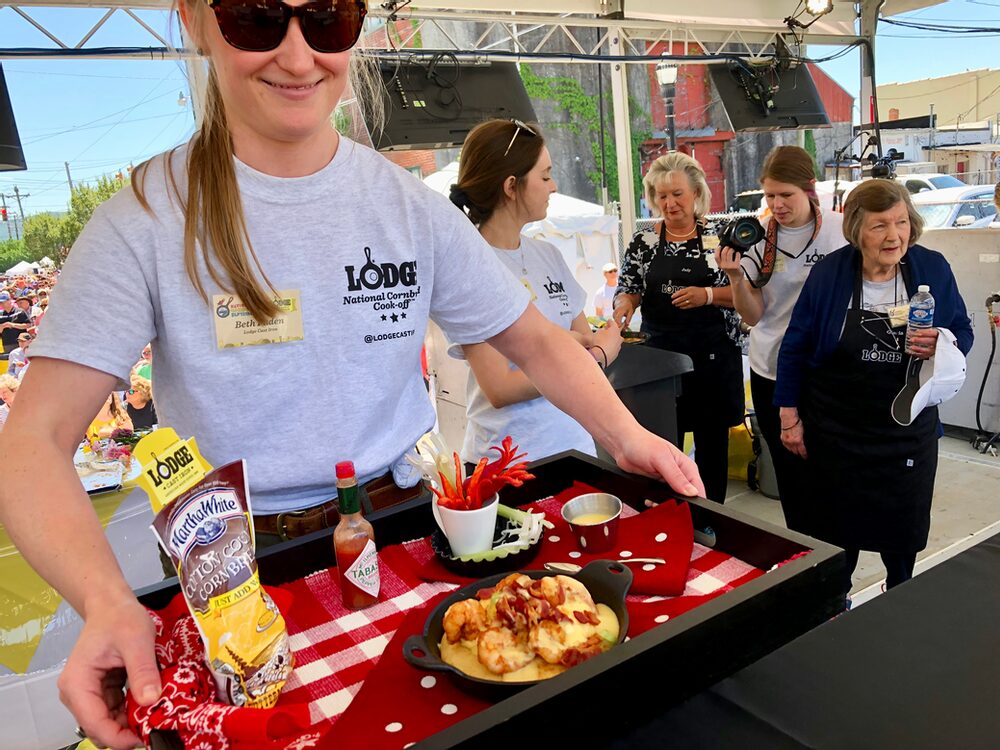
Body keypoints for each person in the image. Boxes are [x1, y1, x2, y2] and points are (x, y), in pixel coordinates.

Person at [0, 4, 703, 748]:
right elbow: (33, 441)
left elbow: (531, 338)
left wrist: (625, 436)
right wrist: (106, 600)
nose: (299, 57)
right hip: (237, 581)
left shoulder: (406, 205)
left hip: (411, 535)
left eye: (328, 19)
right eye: (256, 17)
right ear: (197, 21)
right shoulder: (144, 216)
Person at [775, 179, 973, 594]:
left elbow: (962, 331)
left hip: (905, 431)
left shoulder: (932, 268)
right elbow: (795, 344)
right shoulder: (830, 273)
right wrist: (789, 414)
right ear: (856, 229)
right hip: (838, 432)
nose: (894, 235)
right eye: (880, 226)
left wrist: (943, 340)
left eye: (901, 222)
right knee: (835, 529)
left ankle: (899, 593)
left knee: (902, 532)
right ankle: (836, 599)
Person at [449, 119, 623, 465]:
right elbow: (500, 386)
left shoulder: (548, 255)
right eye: (544, 176)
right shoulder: (471, 264)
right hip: (509, 463)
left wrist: (585, 347)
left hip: (574, 447)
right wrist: (595, 356)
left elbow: (582, 337)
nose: (554, 186)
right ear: (512, 186)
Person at [716, 145, 844, 533]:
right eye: (769, 196)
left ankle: (838, 553)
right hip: (773, 368)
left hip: (830, 370)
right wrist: (736, 278)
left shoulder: (842, 229)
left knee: (831, 469)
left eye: (785, 195)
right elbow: (753, 315)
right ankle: (807, 554)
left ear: (809, 187)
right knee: (791, 474)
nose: (777, 204)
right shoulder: (756, 237)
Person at [613, 151, 745, 502]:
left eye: (678, 194)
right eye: (662, 195)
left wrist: (707, 295)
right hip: (659, 364)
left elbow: (747, 295)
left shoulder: (721, 238)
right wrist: (624, 304)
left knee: (712, 449)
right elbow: (628, 288)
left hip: (712, 359)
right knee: (662, 445)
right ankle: (669, 514)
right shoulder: (644, 242)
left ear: (697, 194)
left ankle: (714, 516)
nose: (669, 204)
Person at [0, 290, 31, 359]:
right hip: (7, 343)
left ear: (9, 301)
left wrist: (12, 325)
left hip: (20, 342)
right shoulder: (0, 314)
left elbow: (28, 325)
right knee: (11, 363)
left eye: (3, 302)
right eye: (0, 303)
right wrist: (2, 327)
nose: (2, 304)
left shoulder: (20, 311)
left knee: (21, 361)